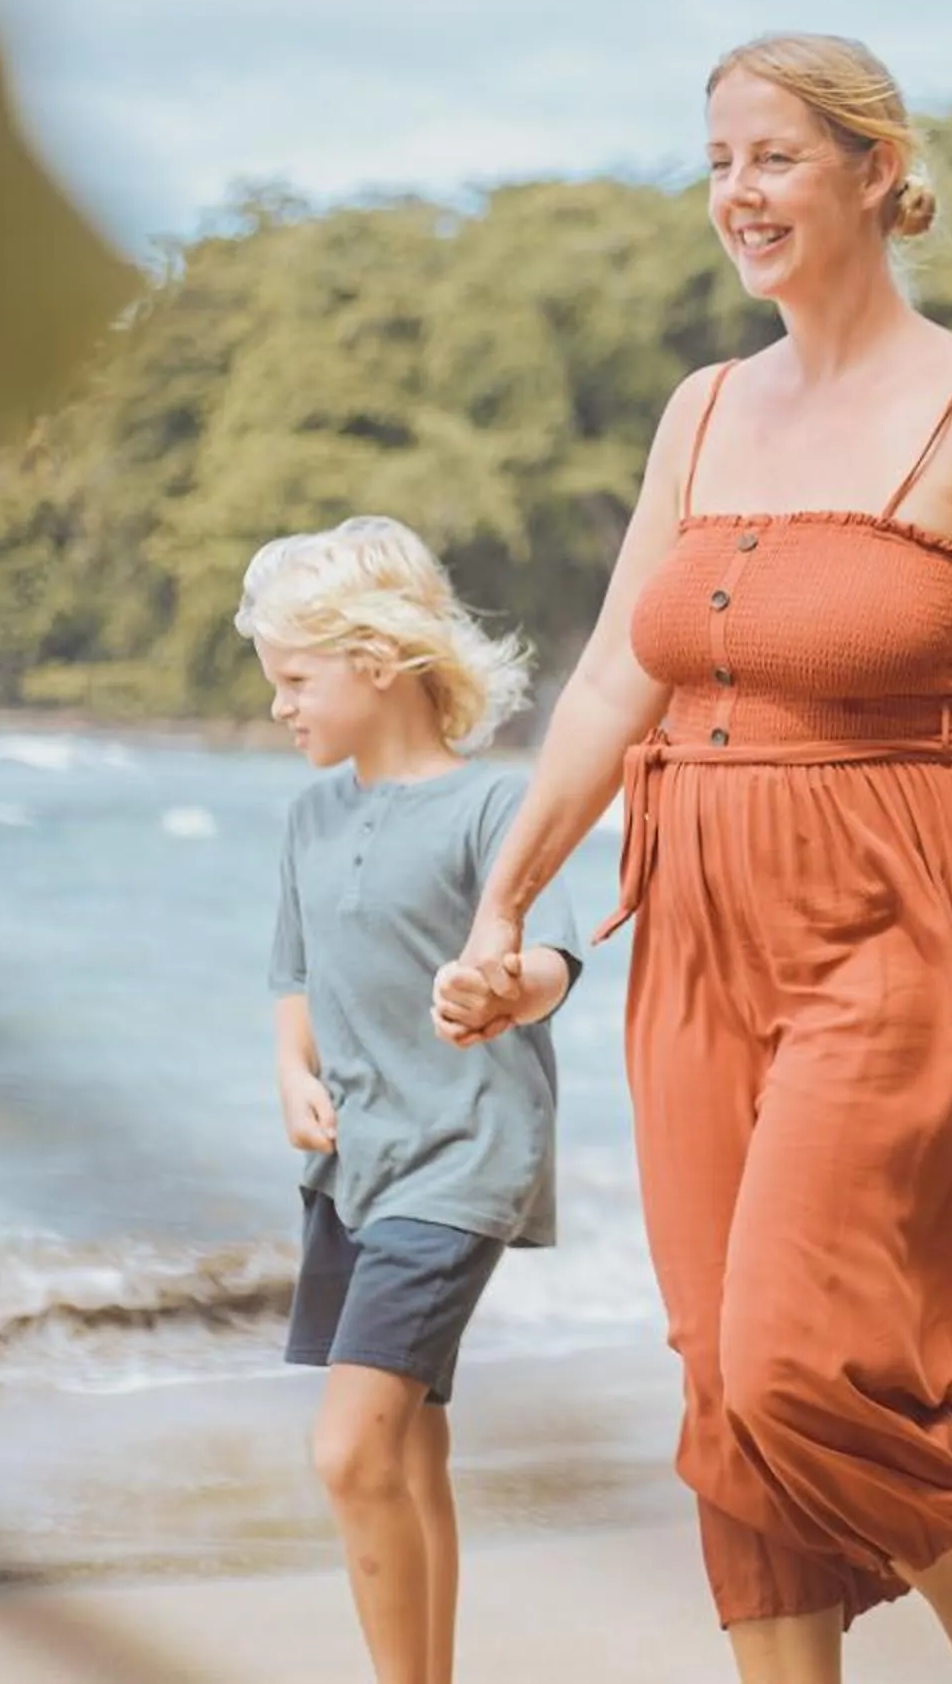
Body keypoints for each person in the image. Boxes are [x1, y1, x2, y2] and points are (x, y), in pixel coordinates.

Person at [439, 34, 952, 1684]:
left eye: (775, 158)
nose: (738, 194)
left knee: (790, 1361)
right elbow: (611, 680)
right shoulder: (699, 412)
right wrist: (506, 895)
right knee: (715, 1361)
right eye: (718, 163)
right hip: (691, 920)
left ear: (879, 172)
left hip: (888, 917)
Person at [241, 514, 584, 1684]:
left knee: (349, 1452)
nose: (280, 705)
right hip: (355, 1169)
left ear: (377, 661)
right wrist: (294, 1073)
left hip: (463, 1156)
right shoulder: (309, 816)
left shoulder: (495, 807)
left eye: (296, 679)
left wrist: (501, 983)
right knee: (410, 1447)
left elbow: (555, 962)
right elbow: (292, 972)